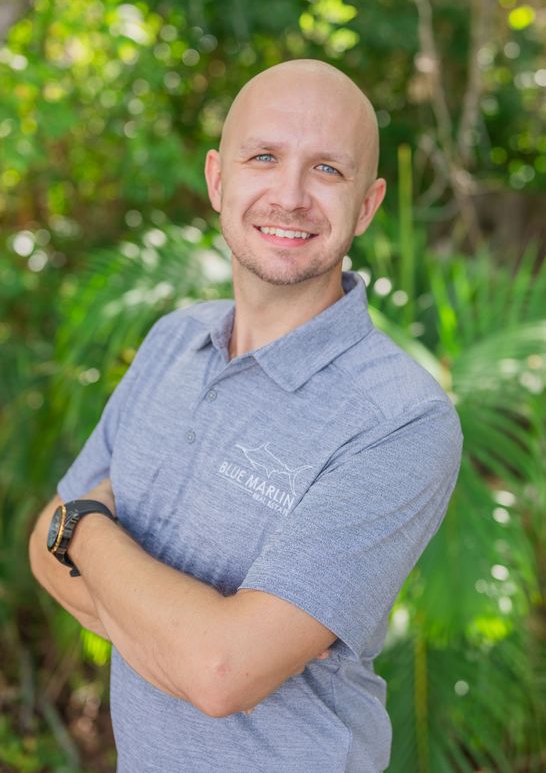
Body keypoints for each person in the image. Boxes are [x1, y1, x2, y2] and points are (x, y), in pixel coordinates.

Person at [29, 59, 462, 772]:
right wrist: (188, 644)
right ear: (217, 180)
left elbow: (222, 673)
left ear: (368, 203)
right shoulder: (173, 338)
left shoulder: (401, 419)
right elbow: (37, 554)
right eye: (263, 157)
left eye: (327, 169)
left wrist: (85, 525)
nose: (289, 196)